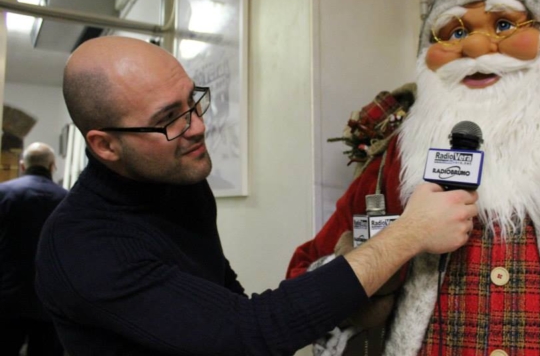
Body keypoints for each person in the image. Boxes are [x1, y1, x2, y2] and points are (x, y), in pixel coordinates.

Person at [34, 35, 479, 355]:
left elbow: (229, 299)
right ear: (106, 146)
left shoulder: (177, 180)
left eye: (192, 100)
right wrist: (409, 233)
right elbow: (246, 335)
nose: (198, 126)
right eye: (169, 119)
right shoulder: (81, 247)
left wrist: (351, 293)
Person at [286, 0, 540, 355]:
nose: (474, 47)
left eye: (503, 24)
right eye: (454, 33)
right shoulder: (398, 160)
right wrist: (375, 265)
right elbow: (306, 273)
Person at [0, 142, 67, 356]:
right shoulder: (66, 200)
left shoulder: (3, 193)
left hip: (6, 296)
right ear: (52, 166)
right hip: (49, 300)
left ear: (22, 165)